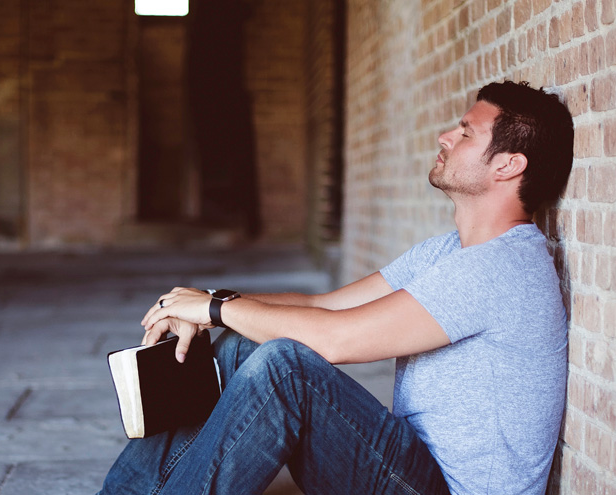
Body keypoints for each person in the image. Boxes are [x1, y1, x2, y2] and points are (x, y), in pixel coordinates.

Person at [97, 80, 574, 495]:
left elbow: (336, 339)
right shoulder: (448, 251)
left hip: (445, 487)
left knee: (287, 368)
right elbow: (322, 306)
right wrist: (211, 304)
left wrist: (216, 308)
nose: (446, 136)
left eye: (467, 132)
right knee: (249, 337)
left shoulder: (502, 267)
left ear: (508, 166)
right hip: (411, 464)